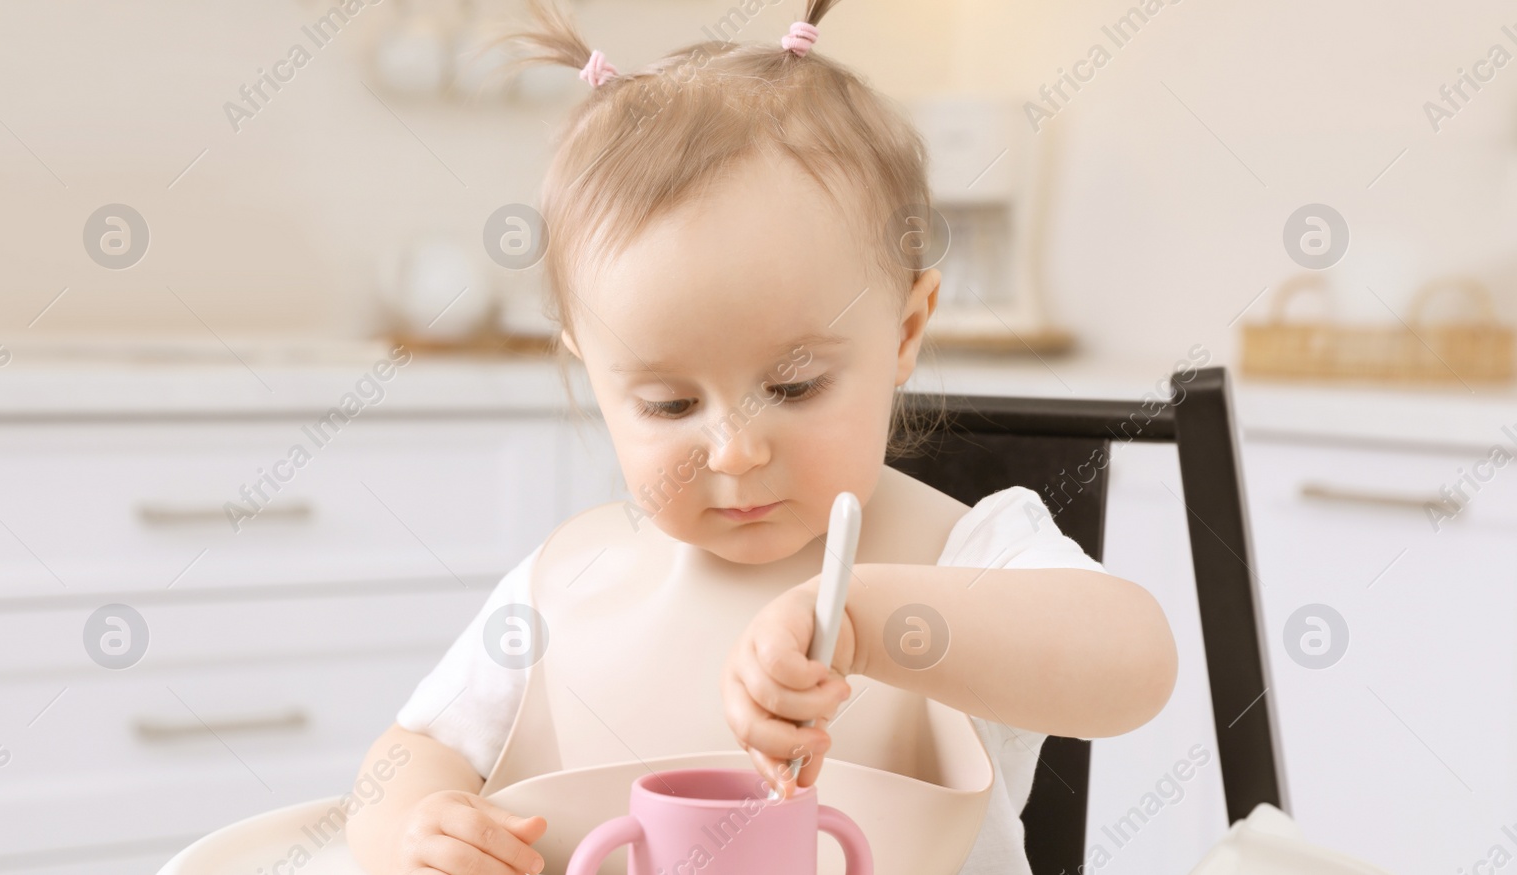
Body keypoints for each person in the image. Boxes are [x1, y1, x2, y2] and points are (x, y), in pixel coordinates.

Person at [346, 2, 1178, 872]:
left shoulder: (969, 554)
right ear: (590, 370)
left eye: (793, 386)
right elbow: (412, 748)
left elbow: (1135, 661)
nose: (734, 452)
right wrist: (416, 825)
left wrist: (870, 621)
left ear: (903, 331)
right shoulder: (562, 587)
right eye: (669, 404)